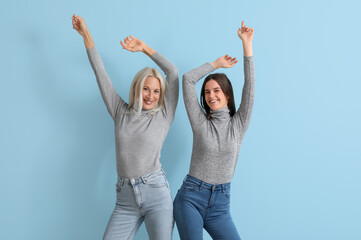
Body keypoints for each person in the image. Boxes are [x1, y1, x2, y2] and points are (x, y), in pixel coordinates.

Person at [72, 14, 178, 240]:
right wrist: (86, 35)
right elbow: (101, 74)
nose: (151, 95)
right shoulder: (121, 112)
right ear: (137, 88)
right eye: (146, 89)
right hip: (125, 200)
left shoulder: (164, 115)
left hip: (156, 194)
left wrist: (145, 48)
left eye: (156, 91)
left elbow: (174, 73)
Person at [173, 21, 255, 240]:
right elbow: (187, 79)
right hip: (191, 198)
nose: (211, 96)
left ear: (227, 94)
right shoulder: (200, 123)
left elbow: (250, 86)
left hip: (221, 205)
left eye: (216, 90)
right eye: (207, 92)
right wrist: (216, 64)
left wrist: (247, 45)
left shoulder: (239, 124)